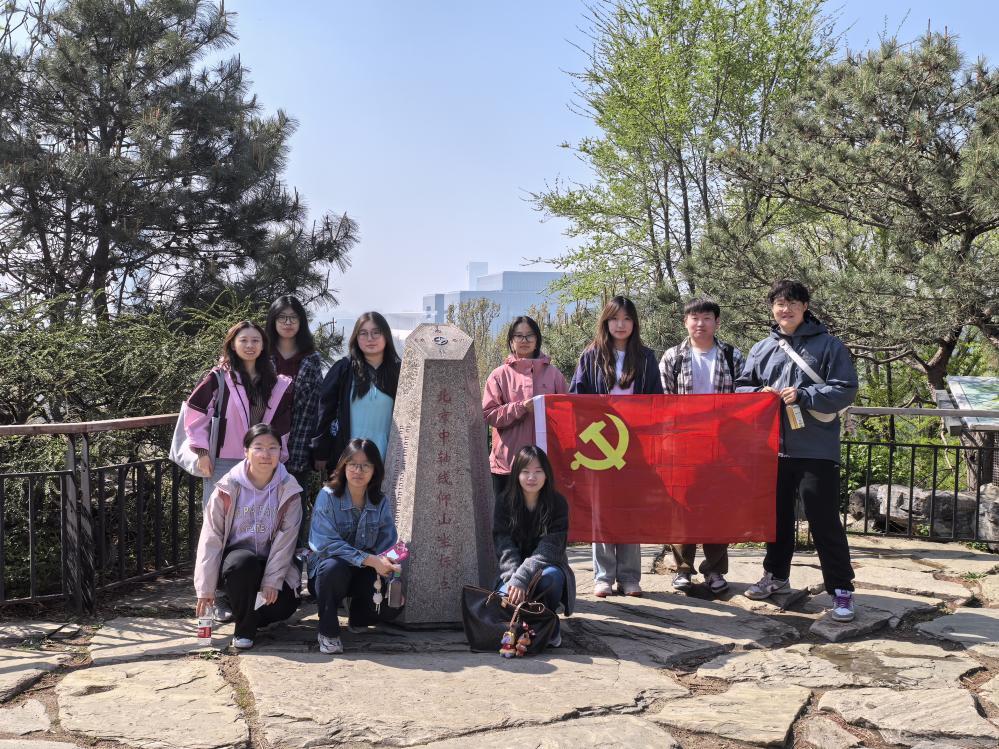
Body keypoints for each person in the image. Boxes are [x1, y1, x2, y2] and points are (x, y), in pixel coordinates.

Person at [735, 279, 858, 622]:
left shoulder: (829, 345)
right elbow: (741, 388)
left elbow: (846, 389)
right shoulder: (762, 349)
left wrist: (804, 395)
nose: (785, 309)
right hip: (771, 448)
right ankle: (776, 576)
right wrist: (759, 394)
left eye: (792, 303)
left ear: (805, 307)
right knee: (776, 519)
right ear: (772, 308)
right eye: (779, 303)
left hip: (816, 448)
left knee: (824, 520)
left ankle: (841, 589)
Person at [569, 295, 663, 598]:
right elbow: (576, 397)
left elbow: (657, 401)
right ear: (605, 322)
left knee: (629, 509)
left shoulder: (646, 357)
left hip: (635, 446)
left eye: (626, 319)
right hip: (600, 446)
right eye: (614, 319)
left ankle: (630, 576)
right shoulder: (591, 356)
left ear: (634, 323)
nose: (620, 325)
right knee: (602, 509)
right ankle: (604, 576)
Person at [659, 298, 746, 595]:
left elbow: (745, 397)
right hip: (683, 443)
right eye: (694, 318)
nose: (700, 323)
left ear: (717, 322)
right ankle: (683, 569)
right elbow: (663, 401)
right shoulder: (673, 357)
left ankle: (715, 569)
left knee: (718, 508)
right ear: (685, 322)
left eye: (707, 318)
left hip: (723, 445)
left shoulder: (732, 355)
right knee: (682, 507)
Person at [194, 424, 303, 649]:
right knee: (244, 562)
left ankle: (243, 608)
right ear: (246, 451)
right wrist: (205, 590)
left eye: (273, 448)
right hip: (237, 565)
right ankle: (244, 630)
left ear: (280, 452)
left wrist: (272, 581)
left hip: (271, 562)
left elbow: (286, 543)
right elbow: (211, 538)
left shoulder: (289, 490)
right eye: (258, 447)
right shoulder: (227, 487)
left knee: (283, 608)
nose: (266, 454)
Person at [185, 320, 294, 507]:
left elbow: (281, 426)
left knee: (252, 515)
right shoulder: (219, 377)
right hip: (223, 461)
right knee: (218, 514)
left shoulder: (273, 383)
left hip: (261, 460)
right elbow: (195, 413)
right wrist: (202, 453)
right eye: (243, 340)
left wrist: (278, 457)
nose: (250, 345)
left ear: (263, 346)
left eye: (255, 341)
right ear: (233, 345)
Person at [307, 438, 401, 655]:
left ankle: (358, 617)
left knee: (391, 606)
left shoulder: (380, 501)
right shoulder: (328, 496)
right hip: (328, 572)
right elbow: (325, 543)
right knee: (333, 568)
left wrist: (392, 573)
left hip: (364, 571)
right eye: (353, 464)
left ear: (375, 470)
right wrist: (370, 560)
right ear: (343, 466)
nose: (358, 471)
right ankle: (328, 632)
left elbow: (387, 545)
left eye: (366, 465)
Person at [493, 445, 576, 647]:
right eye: (525, 471)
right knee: (505, 595)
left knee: (550, 579)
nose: (532, 477)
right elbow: (504, 545)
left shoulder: (558, 503)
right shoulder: (504, 502)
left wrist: (522, 577)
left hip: (547, 567)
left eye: (538, 471)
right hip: (513, 570)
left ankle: (547, 622)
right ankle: (529, 628)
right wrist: (514, 579)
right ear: (516, 474)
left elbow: (549, 550)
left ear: (546, 474)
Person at [482, 316, 569, 501]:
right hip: (507, 464)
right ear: (511, 340)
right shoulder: (499, 375)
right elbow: (489, 414)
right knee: (507, 516)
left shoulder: (554, 374)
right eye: (519, 336)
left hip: (544, 463)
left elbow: (567, 415)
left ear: (537, 339)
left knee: (542, 515)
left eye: (529, 335)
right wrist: (520, 408)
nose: (524, 340)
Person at [311, 312, 401, 476]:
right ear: (356, 338)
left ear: (386, 336)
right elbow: (324, 411)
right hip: (347, 455)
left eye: (376, 332)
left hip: (387, 456)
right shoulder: (344, 369)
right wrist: (321, 451)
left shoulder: (399, 372)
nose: (370, 338)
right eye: (363, 333)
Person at [266, 295, 324, 540]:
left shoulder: (311, 359)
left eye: (293, 318)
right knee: (262, 506)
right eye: (282, 317)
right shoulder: (263, 355)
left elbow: (319, 406)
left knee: (294, 507)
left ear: (301, 322)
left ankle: (293, 559)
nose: (288, 323)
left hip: (298, 445)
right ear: (273, 321)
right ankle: (262, 560)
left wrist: (318, 449)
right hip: (265, 445)